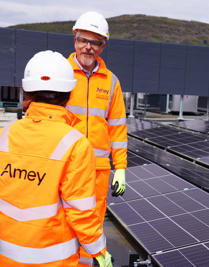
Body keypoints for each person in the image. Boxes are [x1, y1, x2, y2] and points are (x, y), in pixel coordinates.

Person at [0, 50, 112, 266]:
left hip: (6, 258)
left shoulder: (1, 138)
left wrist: (0, 227)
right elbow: (81, 212)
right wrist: (99, 252)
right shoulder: (76, 145)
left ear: (26, 92)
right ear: (69, 94)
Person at [66, 11, 128, 266]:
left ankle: (90, 259)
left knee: (94, 219)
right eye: (83, 40)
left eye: (95, 42)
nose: (88, 47)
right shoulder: (62, 74)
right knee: (65, 218)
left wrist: (121, 168)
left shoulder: (112, 82)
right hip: (67, 166)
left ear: (103, 46)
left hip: (99, 170)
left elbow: (118, 127)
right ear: (74, 40)